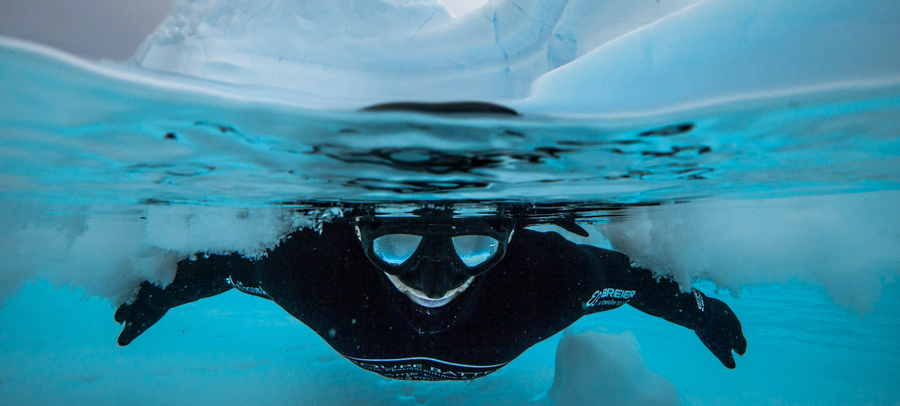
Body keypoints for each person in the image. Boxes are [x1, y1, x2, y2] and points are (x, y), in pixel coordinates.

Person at [115, 203, 746, 381]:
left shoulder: (544, 279)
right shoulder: (316, 272)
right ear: (361, 237)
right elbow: (235, 268)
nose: (433, 274)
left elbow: (233, 269)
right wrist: (696, 312)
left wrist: (699, 313)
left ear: (506, 239)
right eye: (398, 241)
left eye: (471, 242)